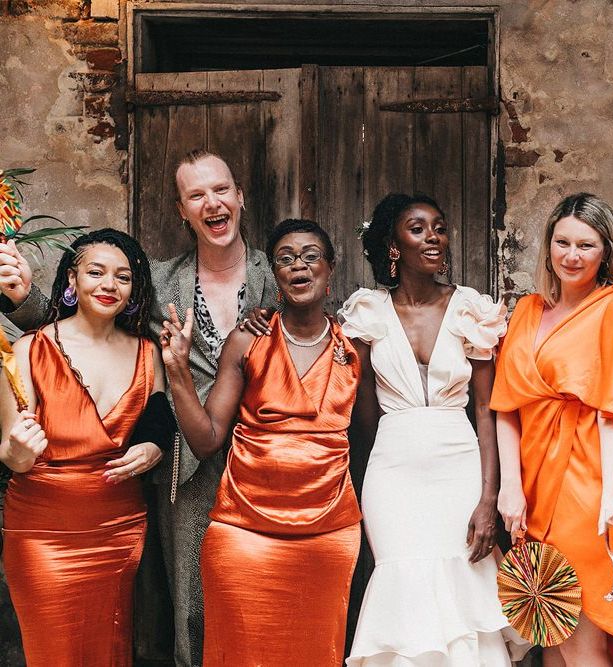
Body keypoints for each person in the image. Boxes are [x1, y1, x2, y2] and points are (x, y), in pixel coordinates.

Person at [0, 150, 277, 666]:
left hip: (264, 456)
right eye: (197, 195)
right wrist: (24, 298)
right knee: (188, 604)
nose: (211, 203)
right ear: (182, 210)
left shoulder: (277, 273)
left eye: (221, 190)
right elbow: (87, 323)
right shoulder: (159, 281)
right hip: (186, 463)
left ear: (240, 197)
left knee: (269, 588)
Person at [160, 219, 362, 666]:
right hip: (244, 530)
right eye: (286, 258)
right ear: (275, 274)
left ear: (330, 268)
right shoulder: (246, 340)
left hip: (327, 533)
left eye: (311, 256)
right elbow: (207, 439)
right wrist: (177, 372)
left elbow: (367, 441)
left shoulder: (356, 346)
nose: (299, 266)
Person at [338, 193, 528, 666]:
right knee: (402, 582)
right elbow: (361, 416)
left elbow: (486, 410)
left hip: (459, 467)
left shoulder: (471, 309)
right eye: (418, 228)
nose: (434, 237)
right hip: (392, 473)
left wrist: (488, 499)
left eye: (440, 228)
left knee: (465, 581)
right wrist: (369, 477)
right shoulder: (367, 312)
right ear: (393, 245)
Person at [490, 193, 613, 665]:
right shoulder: (527, 310)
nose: (572, 255)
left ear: (606, 251)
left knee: (581, 636)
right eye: (562, 242)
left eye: (586, 245)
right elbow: (507, 405)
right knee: (551, 631)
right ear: (549, 246)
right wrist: (510, 486)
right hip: (534, 479)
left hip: (593, 478)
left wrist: (610, 498)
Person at [0, 229, 168, 666]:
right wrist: (19, 449)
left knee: (109, 650)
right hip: (42, 531)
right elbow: (13, 457)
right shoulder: (28, 350)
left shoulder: (148, 354)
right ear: (72, 280)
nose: (109, 285)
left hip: (119, 526)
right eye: (96, 272)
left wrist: (154, 448)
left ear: (134, 290)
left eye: (123, 277)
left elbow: (157, 421)